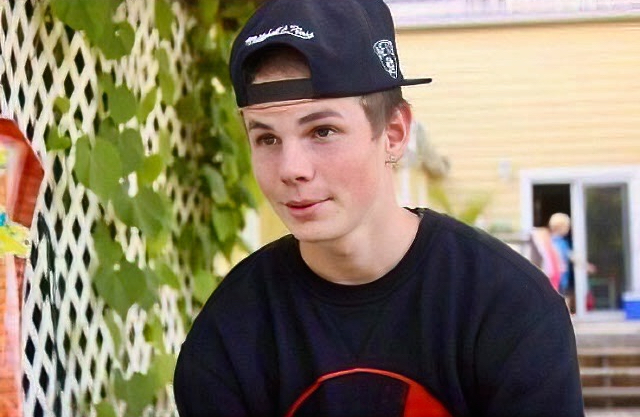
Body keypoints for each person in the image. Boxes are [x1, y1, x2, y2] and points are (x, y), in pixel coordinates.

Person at [173, 0, 585, 416]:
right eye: (266, 138)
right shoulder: (230, 332)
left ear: (393, 133)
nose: (291, 169)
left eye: (322, 131)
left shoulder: (508, 309)